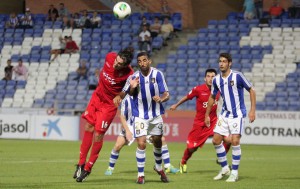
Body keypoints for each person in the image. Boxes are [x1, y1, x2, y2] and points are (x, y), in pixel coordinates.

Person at [73, 47, 134, 182]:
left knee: (99, 134)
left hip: (109, 105)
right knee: (88, 127)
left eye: (119, 64)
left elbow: (129, 91)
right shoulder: (109, 57)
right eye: (116, 61)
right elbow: (104, 72)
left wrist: (122, 95)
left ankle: (88, 168)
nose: (115, 64)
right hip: (97, 97)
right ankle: (81, 163)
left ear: (125, 65)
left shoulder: (129, 74)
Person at [114, 52, 170, 184]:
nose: (142, 63)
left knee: (158, 142)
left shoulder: (158, 74)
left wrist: (161, 99)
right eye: (139, 61)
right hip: (139, 116)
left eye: (144, 60)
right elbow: (125, 92)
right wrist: (122, 94)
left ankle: (158, 167)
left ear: (149, 61)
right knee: (141, 143)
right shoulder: (133, 77)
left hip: (156, 115)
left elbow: (167, 94)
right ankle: (141, 175)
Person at [205, 53, 256, 182]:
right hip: (224, 114)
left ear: (230, 63)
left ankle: (234, 172)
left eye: (224, 61)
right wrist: (207, 115)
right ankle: (224, 168)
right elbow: (212, 97)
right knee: (216, 140)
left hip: (237, 114)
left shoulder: (237, 76)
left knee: (234, 141)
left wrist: (252, 111)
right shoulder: (216, 79)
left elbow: (251, 90)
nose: (221, 63)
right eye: (220, 61)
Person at [169, 69, 231, 173]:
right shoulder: (198, 89)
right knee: (192, 148)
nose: (210, 79)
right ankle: (183, 162)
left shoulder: (219, 90)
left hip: (214, 122)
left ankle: (222, 159)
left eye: (213, 77)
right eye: (208, 76)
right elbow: (187, 97)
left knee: (229, 140)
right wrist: (176, 105)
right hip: (200, 124)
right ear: (204, 78)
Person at [104, 95, 179, 176]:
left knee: (161, 140)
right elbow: (122, 116)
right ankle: (110, 168)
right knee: (118, 145)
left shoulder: (145, 95)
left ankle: (167, 166)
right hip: (131, 126)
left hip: (144, 125)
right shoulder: (126, 99)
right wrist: (127, 131)